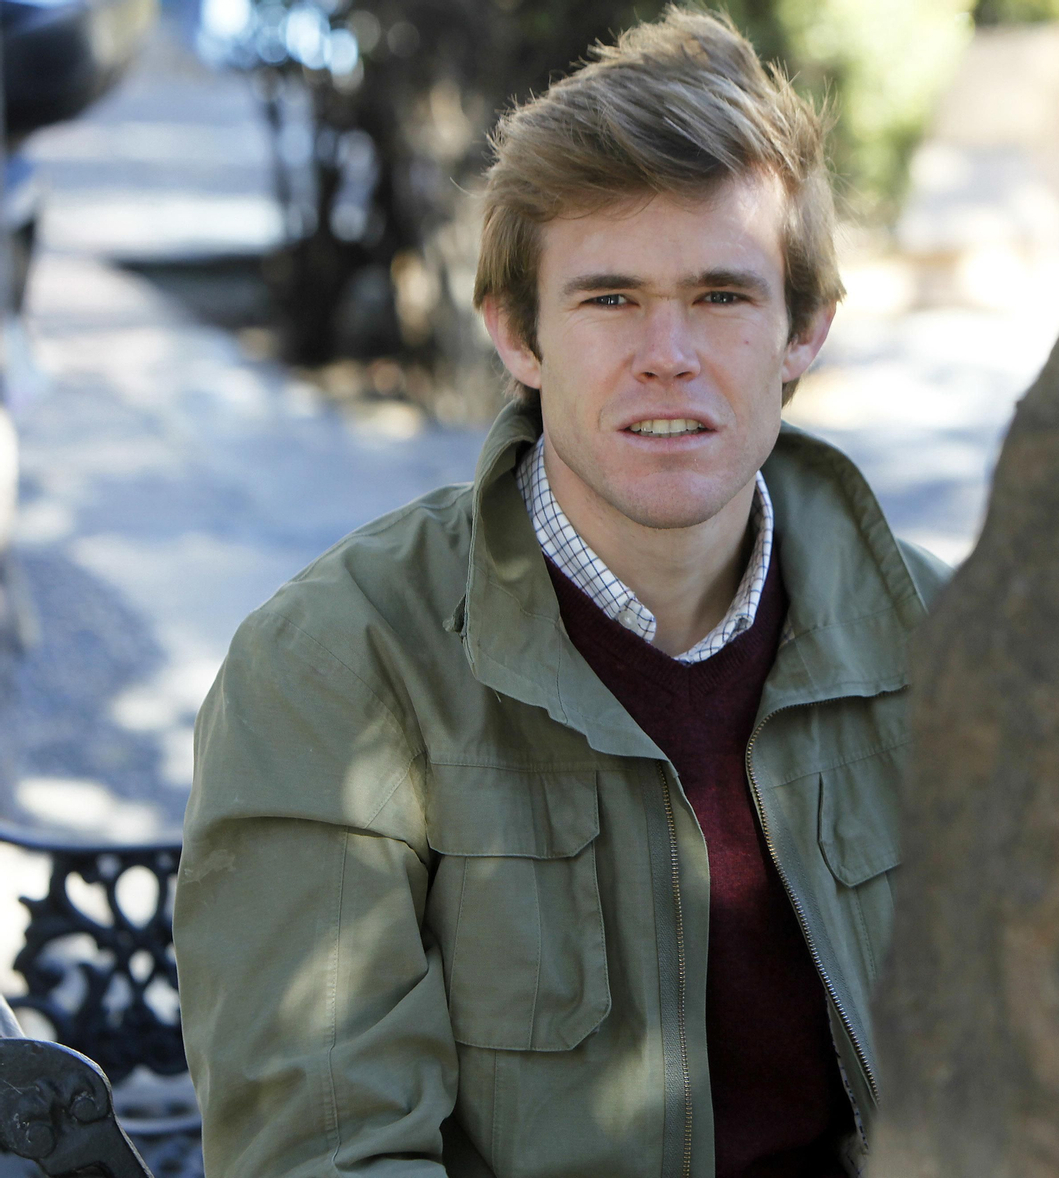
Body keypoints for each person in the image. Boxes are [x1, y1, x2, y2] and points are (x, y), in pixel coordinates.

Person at [174, 9, 949, 1177]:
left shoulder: (947, 646)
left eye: (724, 296)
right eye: (609, 298)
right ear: (515, 334)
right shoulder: (340, 665)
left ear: (807, 329)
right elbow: (325, 1153)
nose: (668, 353)